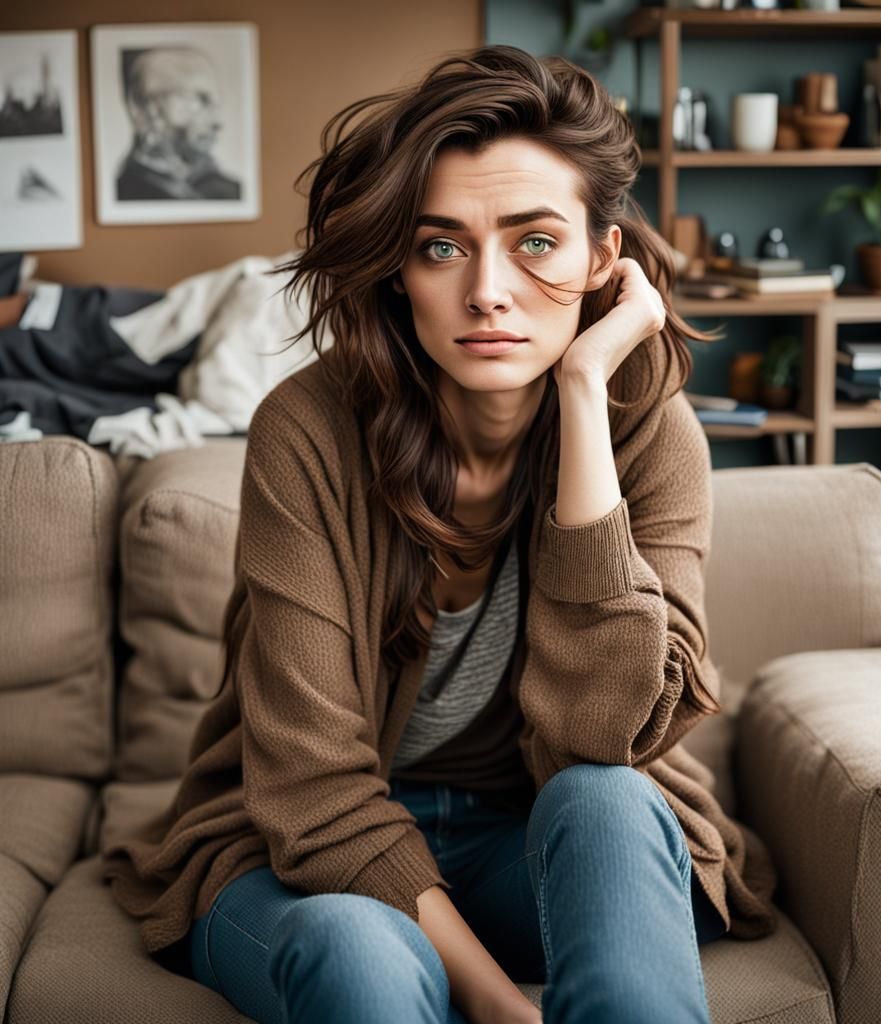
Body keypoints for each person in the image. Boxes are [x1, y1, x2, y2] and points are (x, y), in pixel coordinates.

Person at [101, 44, 778, 1024]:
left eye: (535, 241)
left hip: (533, 839)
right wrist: (501, 1007)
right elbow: (312, 788)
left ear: (602, 258)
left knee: (610, 801)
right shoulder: (307, 429)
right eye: (442, 245)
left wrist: (584, 395)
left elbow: (608, 736)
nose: (488, 290)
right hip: (305, 854)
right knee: (356, 953)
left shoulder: (644, 423)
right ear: (399, 273)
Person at [115, 46, 242, 201]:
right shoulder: (124, 192)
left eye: (215, 104)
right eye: (200, 100)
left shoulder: (228, 191)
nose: (217, 122)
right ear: (146, 107)